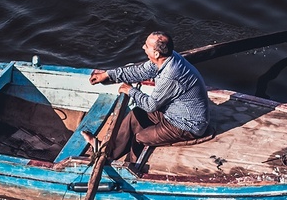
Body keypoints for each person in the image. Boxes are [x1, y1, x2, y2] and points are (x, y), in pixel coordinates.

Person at [85, 31, 211, 162]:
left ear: (156, 53)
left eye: (146, 46)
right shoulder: (166, 58)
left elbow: (151, 106)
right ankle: (109, 152)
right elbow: (140, 71)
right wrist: (108, 74)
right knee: (135, 116)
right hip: (172, 111)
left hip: (185, 124)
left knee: (140, 138)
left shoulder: (170, 75)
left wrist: (131, 91)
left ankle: (130, 166)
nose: (143, 47)